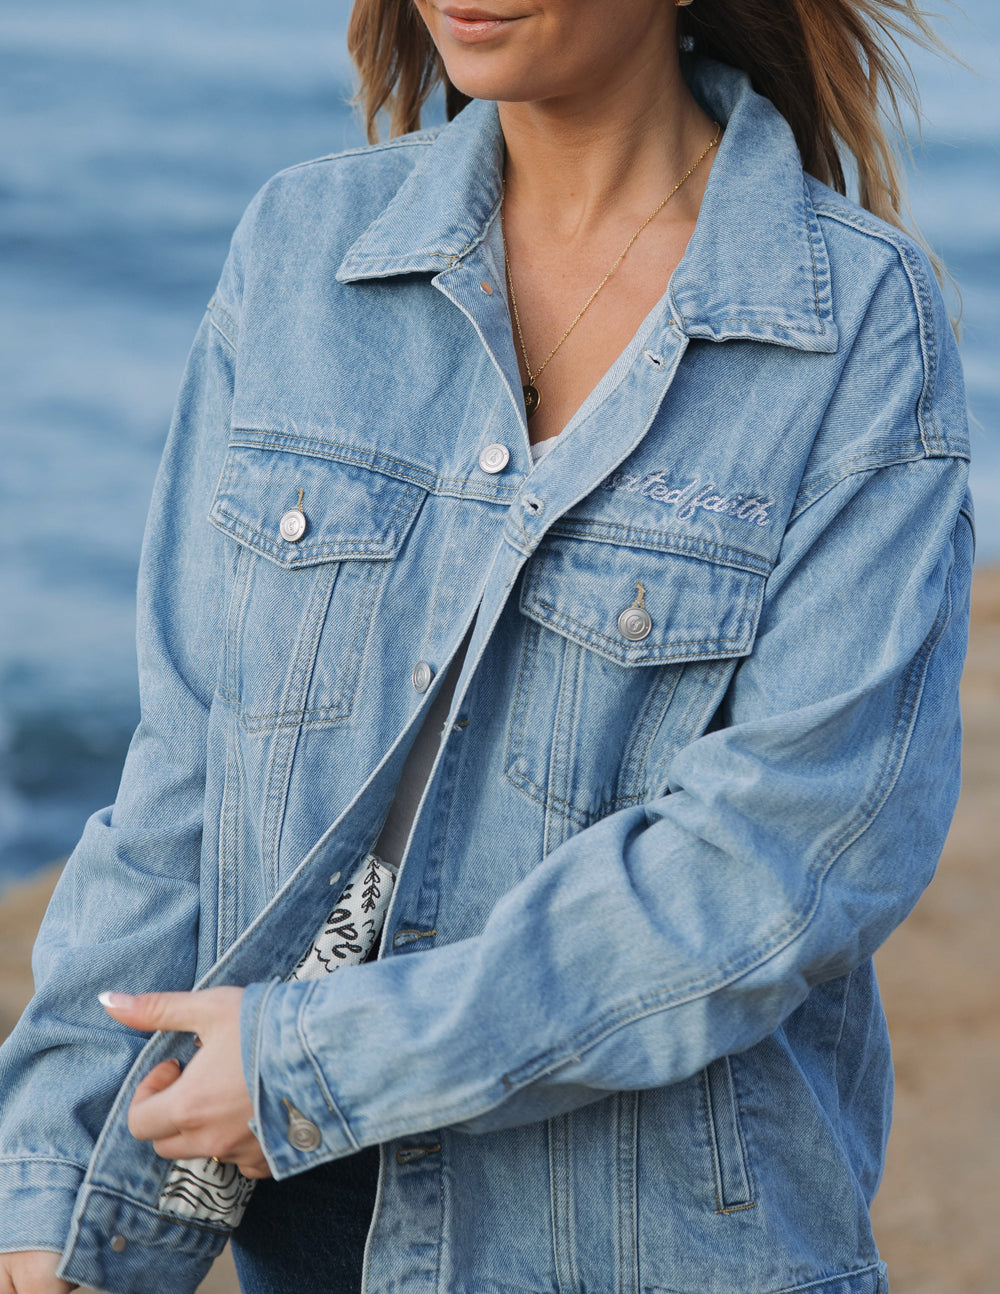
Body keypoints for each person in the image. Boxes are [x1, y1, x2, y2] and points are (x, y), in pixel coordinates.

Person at [0, 1, 973, 1291]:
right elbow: (189, 775)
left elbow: (773, 872)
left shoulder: (853, 326)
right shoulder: (303, 254)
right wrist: (56, 1204)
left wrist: (322, 1065)